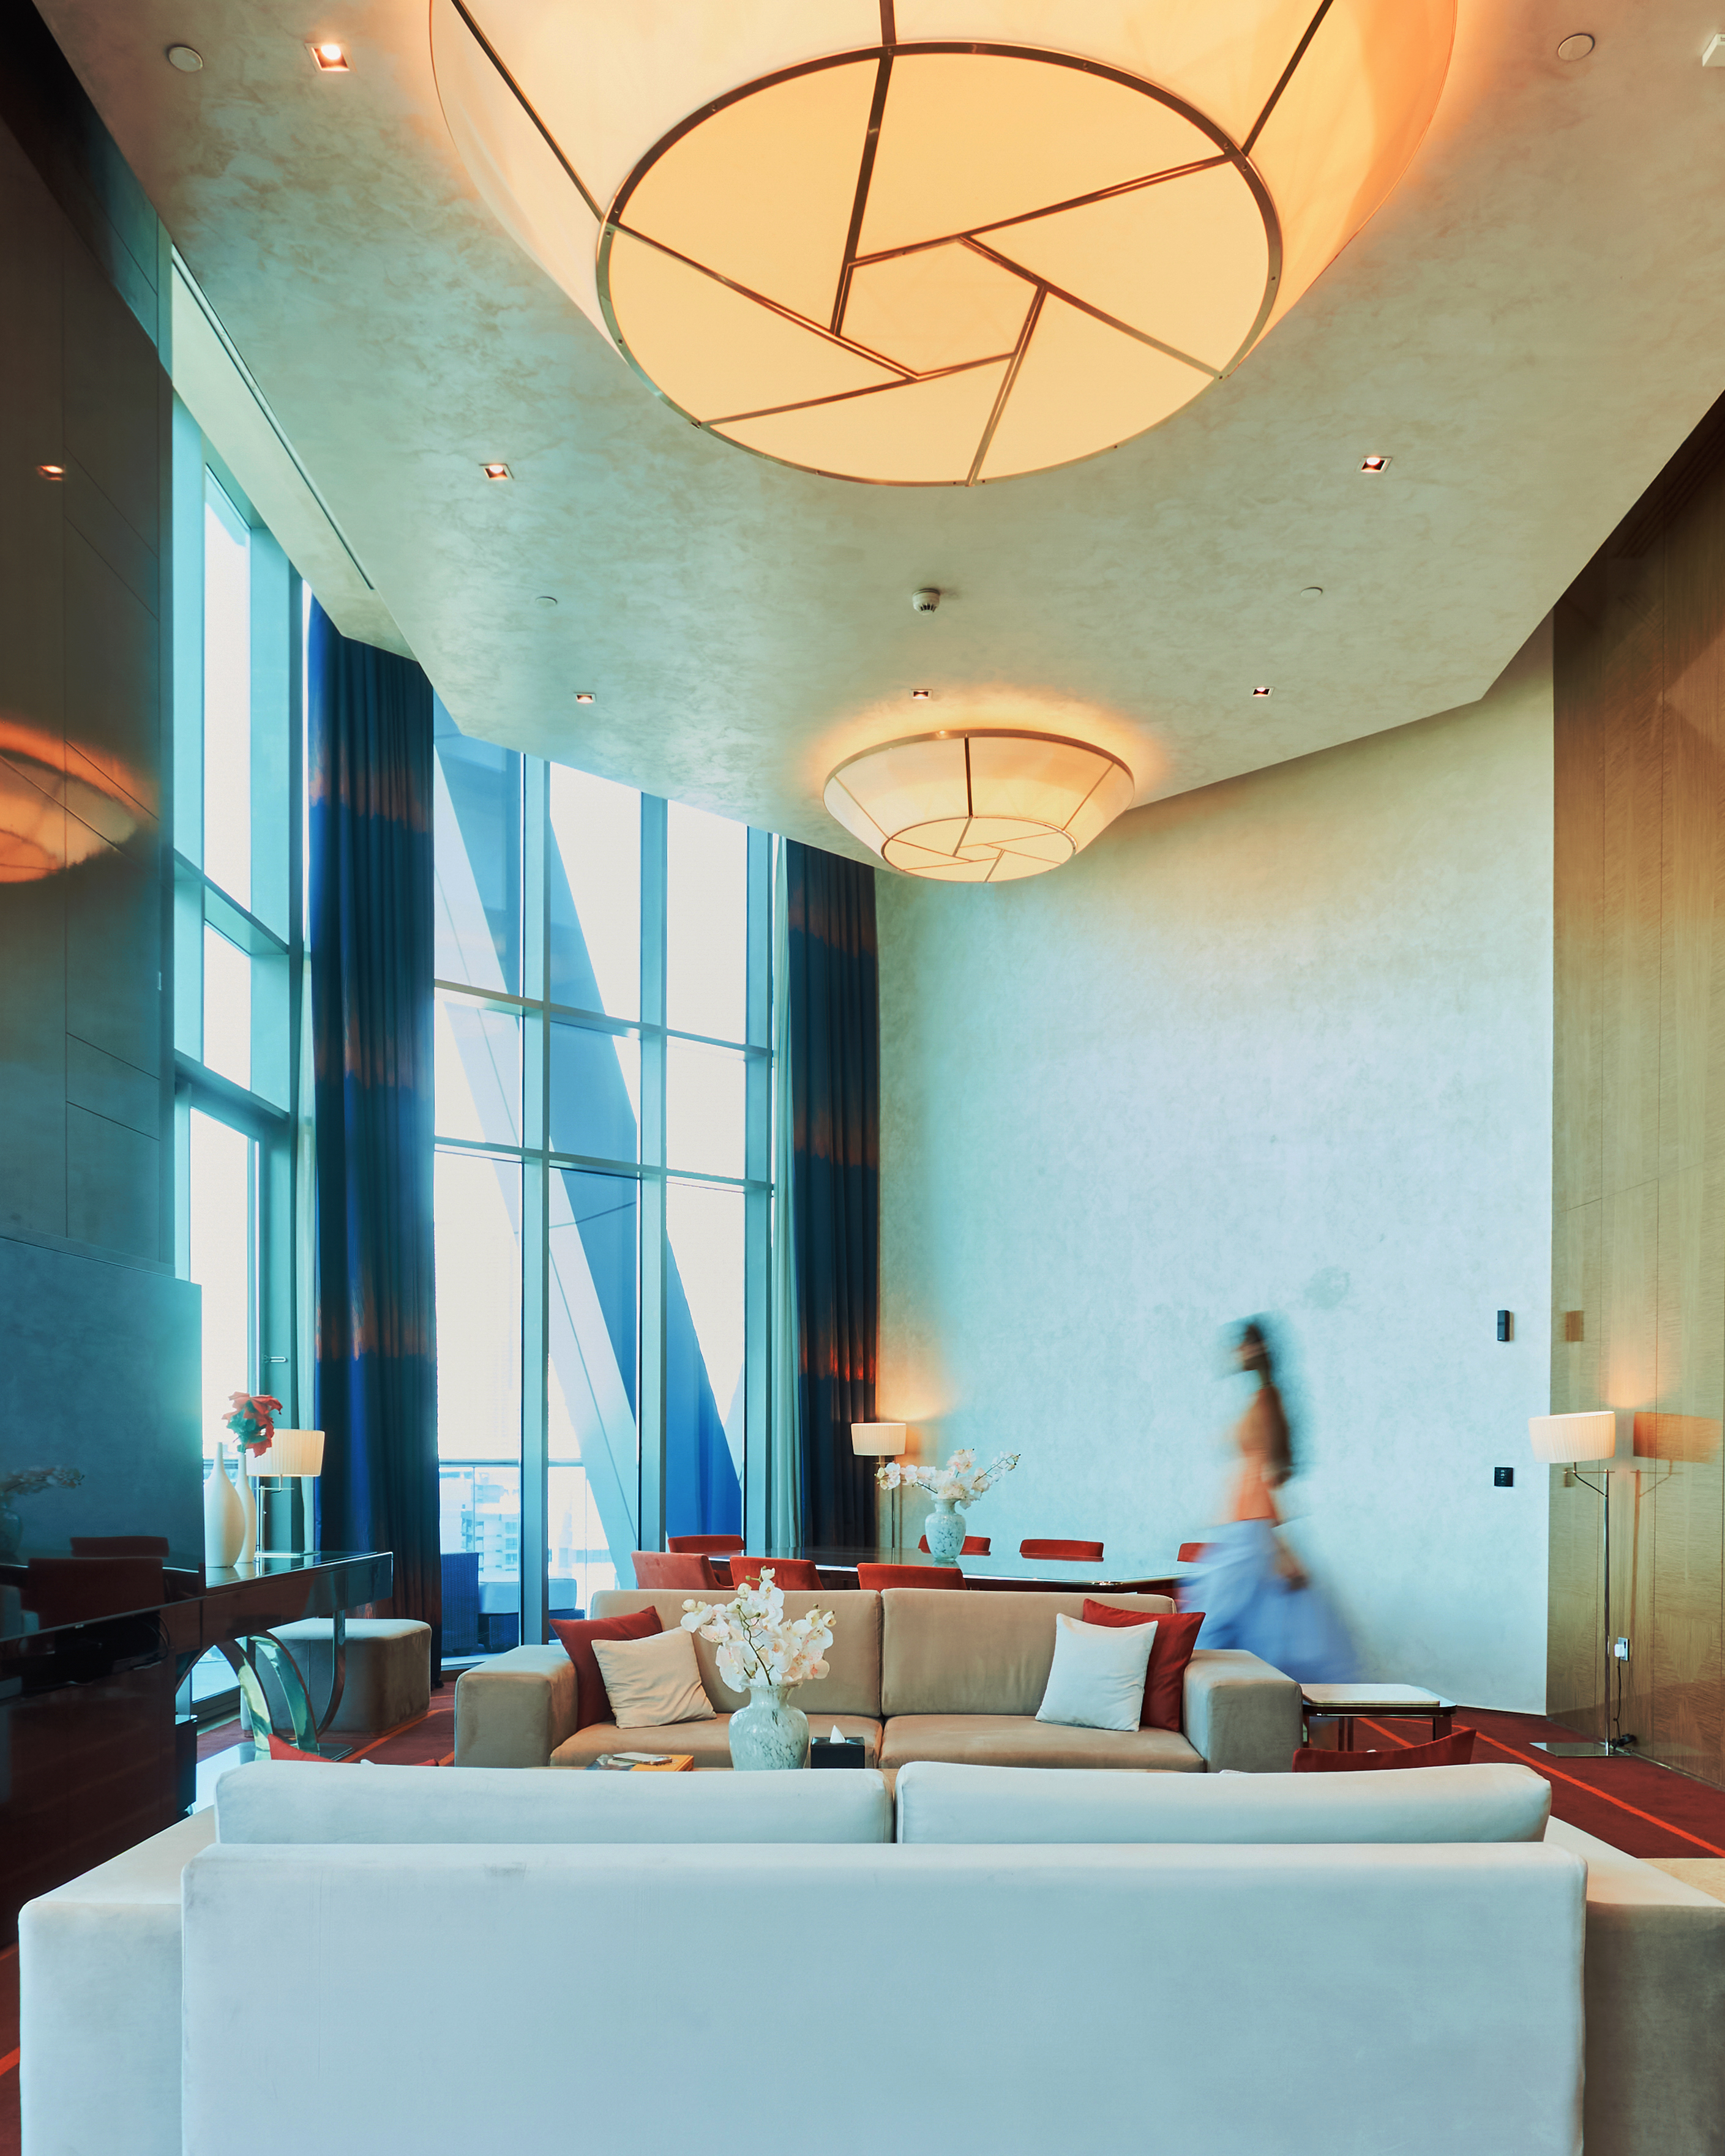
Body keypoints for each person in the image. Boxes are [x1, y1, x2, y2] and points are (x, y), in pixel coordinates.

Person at [1178, 1317, 1355, 1682]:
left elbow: (1273, 1474)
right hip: (1242, 1521)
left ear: (1258, 1349)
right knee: (1237, 1620)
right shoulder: (1260, 1397)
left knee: (1218, 1622)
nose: (1236, 1352)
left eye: (1244, 1344)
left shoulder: (1268, 1397)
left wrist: (1281, 1544)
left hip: (1252, 1523)